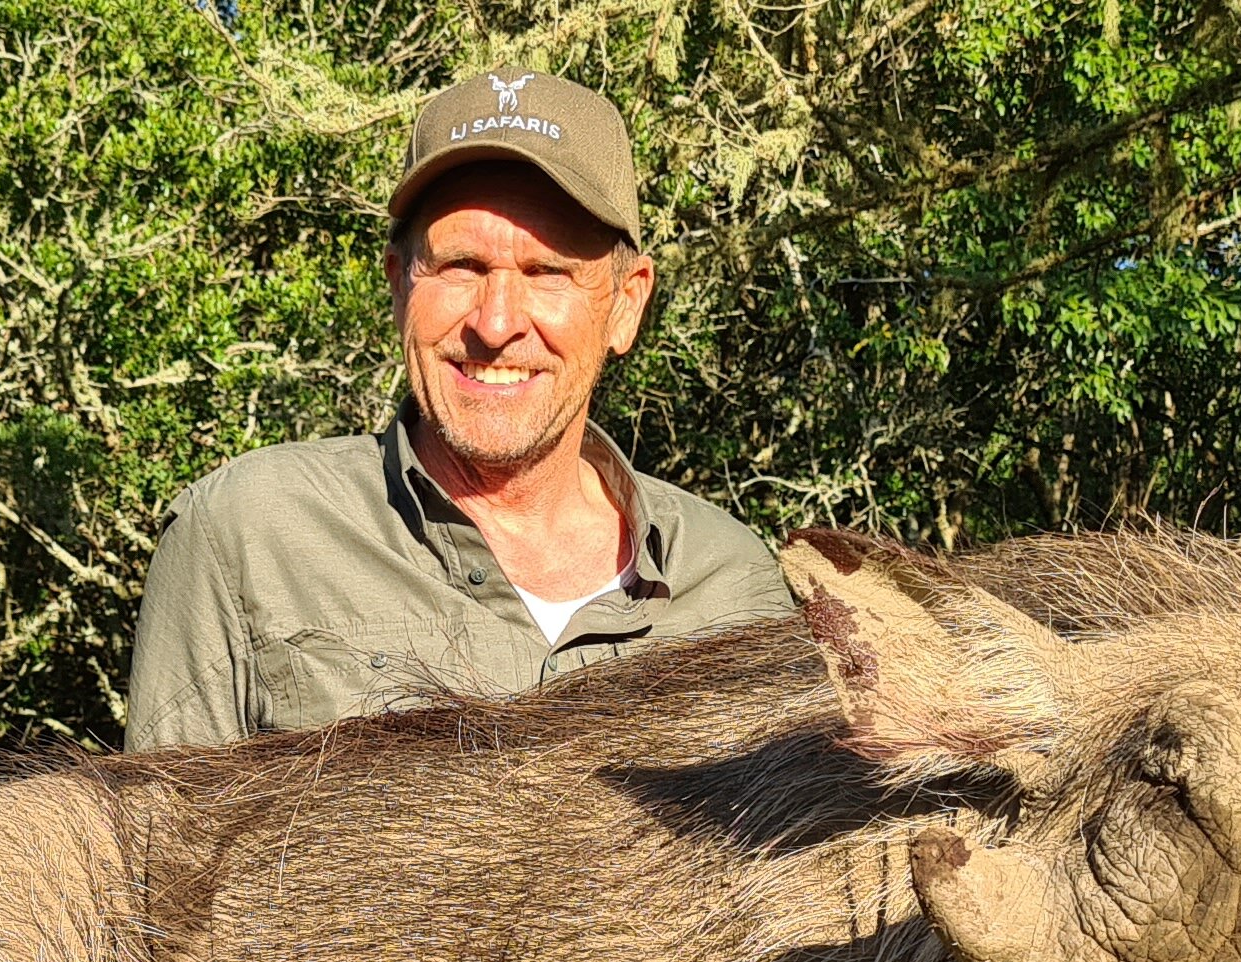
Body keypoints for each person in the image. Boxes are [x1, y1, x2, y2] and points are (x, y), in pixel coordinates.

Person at [122, 67, 796, 750]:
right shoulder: (244, 536)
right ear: (398, 289)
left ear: (626, 305)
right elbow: (158, 849)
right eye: (461, 267)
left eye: (548, 273)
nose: (496, 322)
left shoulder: (735, 587)